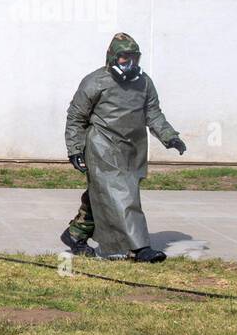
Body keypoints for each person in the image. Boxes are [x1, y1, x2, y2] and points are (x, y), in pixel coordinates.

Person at [62, 32, 186, 262]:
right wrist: (75, 149)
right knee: (123, 196)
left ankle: (74, 234)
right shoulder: (95, 82)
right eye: (123, 57)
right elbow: (76, 117)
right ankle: (139, 248)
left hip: (132, 149)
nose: (128, 63)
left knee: (103, 195)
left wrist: (170, 136)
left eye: (133, 58)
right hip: (102, 148)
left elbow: (153, 114)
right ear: (112, 57)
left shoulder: (144, 82)